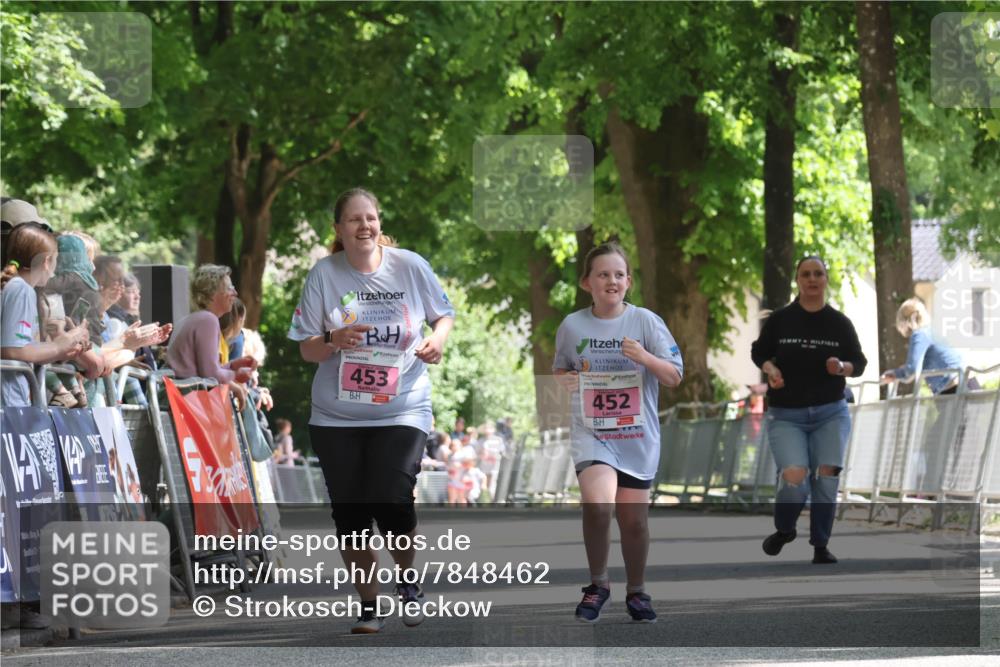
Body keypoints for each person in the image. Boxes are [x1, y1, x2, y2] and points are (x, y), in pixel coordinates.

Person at [288, 187, 454, 634]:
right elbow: (306, 349)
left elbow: (443, 314)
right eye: (354, 219)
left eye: (371, 218)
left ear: (379, 223)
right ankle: (368, 605)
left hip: (402, 407)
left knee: (392, 498)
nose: (365, 225)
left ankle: (408, 581)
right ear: (338, 229)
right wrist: (332, 340)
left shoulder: (410, 266)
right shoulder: (324, 274)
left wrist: (436, 341)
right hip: (336, 416)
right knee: (351, 514)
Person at [553, 241, 683, 624]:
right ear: (587, 282)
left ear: (628, 282)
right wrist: (566, 380)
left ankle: (637, 591)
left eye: (619, 274)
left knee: (633, 522)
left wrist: (645, 357)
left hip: (637, 436)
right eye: (603, 274)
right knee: (598, 505)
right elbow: (560, 368)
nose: (612, 280)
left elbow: (674, 376)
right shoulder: (572, 325)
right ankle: (598, 584)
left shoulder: (646, 322)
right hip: (593, 431)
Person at [751, 255, 867, 565]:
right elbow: (759, 352)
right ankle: (785, 529)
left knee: (827, 475)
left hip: (831, 412)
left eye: (818, 273)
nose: (812, 279)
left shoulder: (839, 323)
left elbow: (859, 363)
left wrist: (841, 367)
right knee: (795, 476)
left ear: (826, 279)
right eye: (806, 274)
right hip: (787, 415)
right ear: (798, 280)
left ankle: (820, 545)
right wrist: (770, 369)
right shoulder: (781, 320)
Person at [2, 223, 89, 407]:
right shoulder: (21, 290)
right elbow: (12, 350)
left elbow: (23, 347)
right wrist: (58, 346)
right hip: (8, 402)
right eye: (56, 260)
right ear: (47, 261)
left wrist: (64, 348)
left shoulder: (15, 287)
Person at [166, 264, 257, 408]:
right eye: (229, 288)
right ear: (212, 293)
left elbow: (205, 370)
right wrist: (236, 375)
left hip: (178, 397)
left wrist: (232, 366)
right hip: (185, 402)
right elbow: (210, 375)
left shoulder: (194, 318)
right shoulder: (208, 320)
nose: (235, 293)